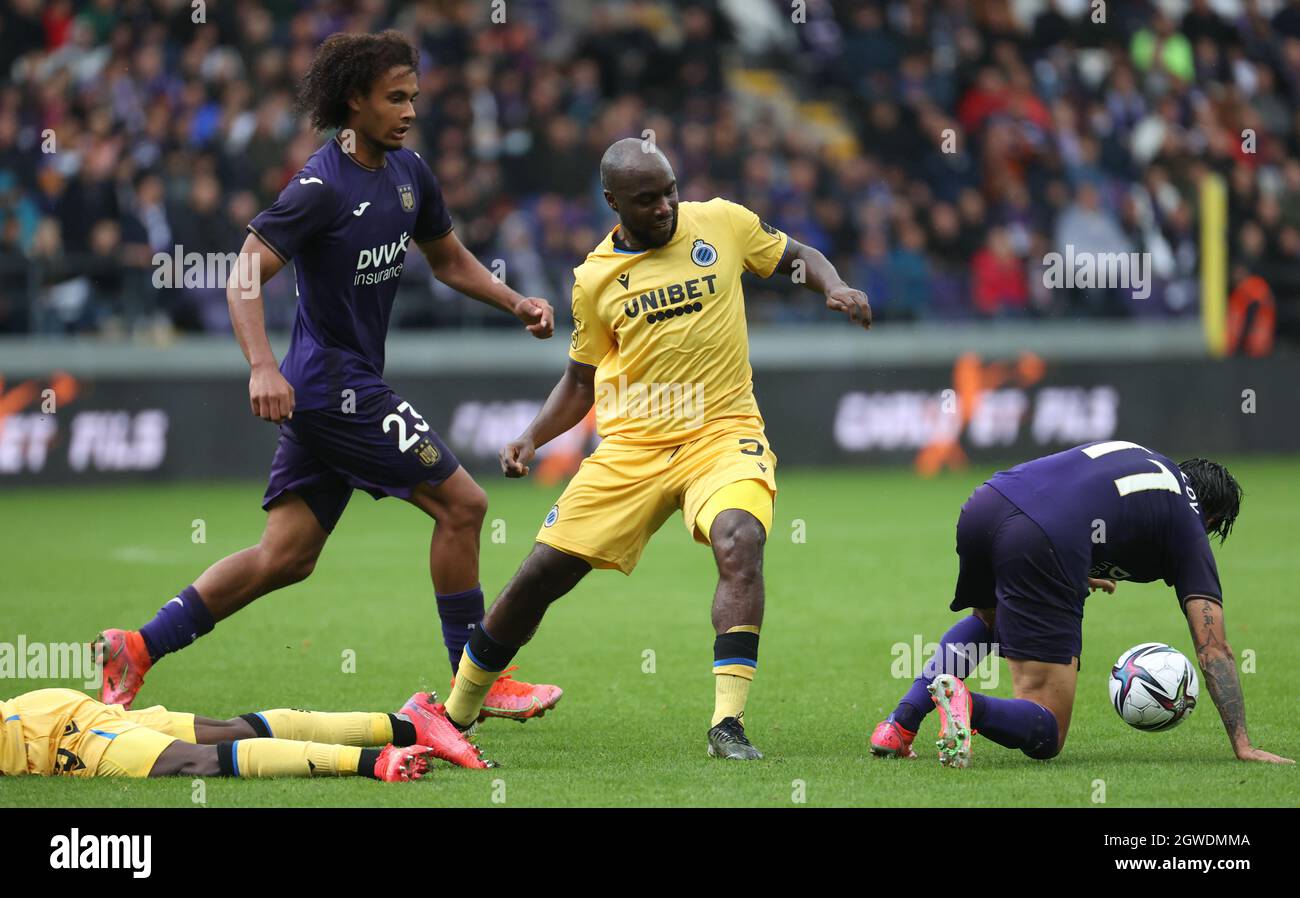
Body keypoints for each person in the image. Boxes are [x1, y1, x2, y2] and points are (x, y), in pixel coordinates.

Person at [92, 31, 561, 724]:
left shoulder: (410, 174)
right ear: (354, 101)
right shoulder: (320, 186)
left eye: (414, 97)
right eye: (394, 98)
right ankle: (477, 683)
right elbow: (244, 272)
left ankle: (137, 645)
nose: (408, 111)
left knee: (285, 556)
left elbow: (450, 259)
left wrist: (514, 299)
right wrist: (260, 365)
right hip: (332, 387)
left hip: (335, 392)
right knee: (464, 507)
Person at [439, 138, 873, 760]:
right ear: (614, 202)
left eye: (670, 190)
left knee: (740, 539)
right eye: (647, 199)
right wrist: (532, 437)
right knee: (541, 576)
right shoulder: (594, 279)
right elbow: (581, 381)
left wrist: (835, 285)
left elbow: (797, 256)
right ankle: (455, 713)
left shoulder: (722, 221)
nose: (666, 206)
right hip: (633, 446)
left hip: (722, 432)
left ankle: (727, 724)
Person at [869, 440, 1293, 767]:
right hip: (1045, 537)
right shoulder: (1189, 523)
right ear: (1214, 519)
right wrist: (1242, 743)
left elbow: (1079, 496)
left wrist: (1070, 566)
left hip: (988, 503)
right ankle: (968, 703)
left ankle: (898, 725)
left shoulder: (1146, 462)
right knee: (1047, 730)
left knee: (988, 623)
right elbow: (1213, 647)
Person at [1, 687, 489, 780]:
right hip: (46, 707)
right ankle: (407, 723)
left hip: (62, 738)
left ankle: (375, 760)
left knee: (199, 760)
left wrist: (367, 763)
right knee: (225, 731)